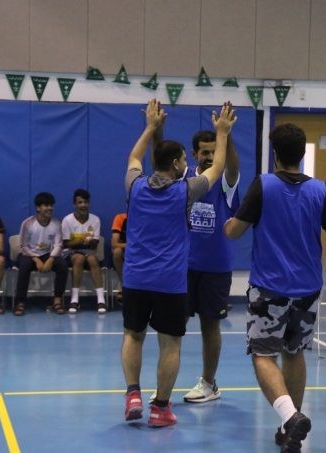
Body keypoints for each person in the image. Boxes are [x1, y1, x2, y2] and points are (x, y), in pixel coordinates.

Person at [224, 123, 326, 453]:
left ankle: (290, 416)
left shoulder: (263, 185)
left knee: (263, 355)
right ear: (301, 154)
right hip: (308, 289)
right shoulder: (321, 190)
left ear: (275, 154)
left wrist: (228, 223)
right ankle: (288, 429)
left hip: (269, 288)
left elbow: (235, 231)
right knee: (294, 352)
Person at [121, 99, 236, 427]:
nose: (187, 164)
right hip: (170, 282)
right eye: (184, 159)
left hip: (135, 279)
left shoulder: (135, 186)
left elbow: (133, 158)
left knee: (133, 335)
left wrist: (150, 128)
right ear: (175, 164)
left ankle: (132, 393)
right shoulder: (185, 192)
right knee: (169, 343)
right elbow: (217, 168)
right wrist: (222, 133)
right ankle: (160, 408)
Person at [182, 129, 240, 403]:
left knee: (210, 325)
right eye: (204, 151)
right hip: (183, 266)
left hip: (216, 267)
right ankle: (165, 384)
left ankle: (209, 383)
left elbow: (233, 167)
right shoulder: (185, 179)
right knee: (174, 326)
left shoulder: (226, 183)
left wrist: (226, 135)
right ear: (194, 154)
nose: (208, 156)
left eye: (213, 151)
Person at [13, 192, 68, 316]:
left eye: (51, 205)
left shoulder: (56, 223)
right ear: (38, 208)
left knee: (62, 265)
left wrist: (51, 259)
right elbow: (22, 246)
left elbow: (59, 245)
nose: (50, 208)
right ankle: (20, 302)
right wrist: (36, 259)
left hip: (47, 254)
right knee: (24, 266)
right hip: (29, 255)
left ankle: (57, 301)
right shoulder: (27, 223)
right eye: (46, 205)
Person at [62, 189, 106, 314]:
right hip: (71, 253)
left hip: (89, 251)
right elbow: (66, 244)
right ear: (75, 204)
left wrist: (88, 241)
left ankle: (101, 300)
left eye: (86, 202)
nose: (83, 205)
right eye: (80, 202)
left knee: (92, 259)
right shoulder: (67, 220)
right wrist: (81, 240)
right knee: (79, 258)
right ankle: (74, 299)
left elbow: (95, 243)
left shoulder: (95, 219)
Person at [111, 212, 127, 303]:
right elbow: (114, 244)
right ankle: (125, 284)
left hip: (141, 251)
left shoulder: (145, 217)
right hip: (127, 249)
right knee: (117, 252)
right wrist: (131, 246)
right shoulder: (120, 218)